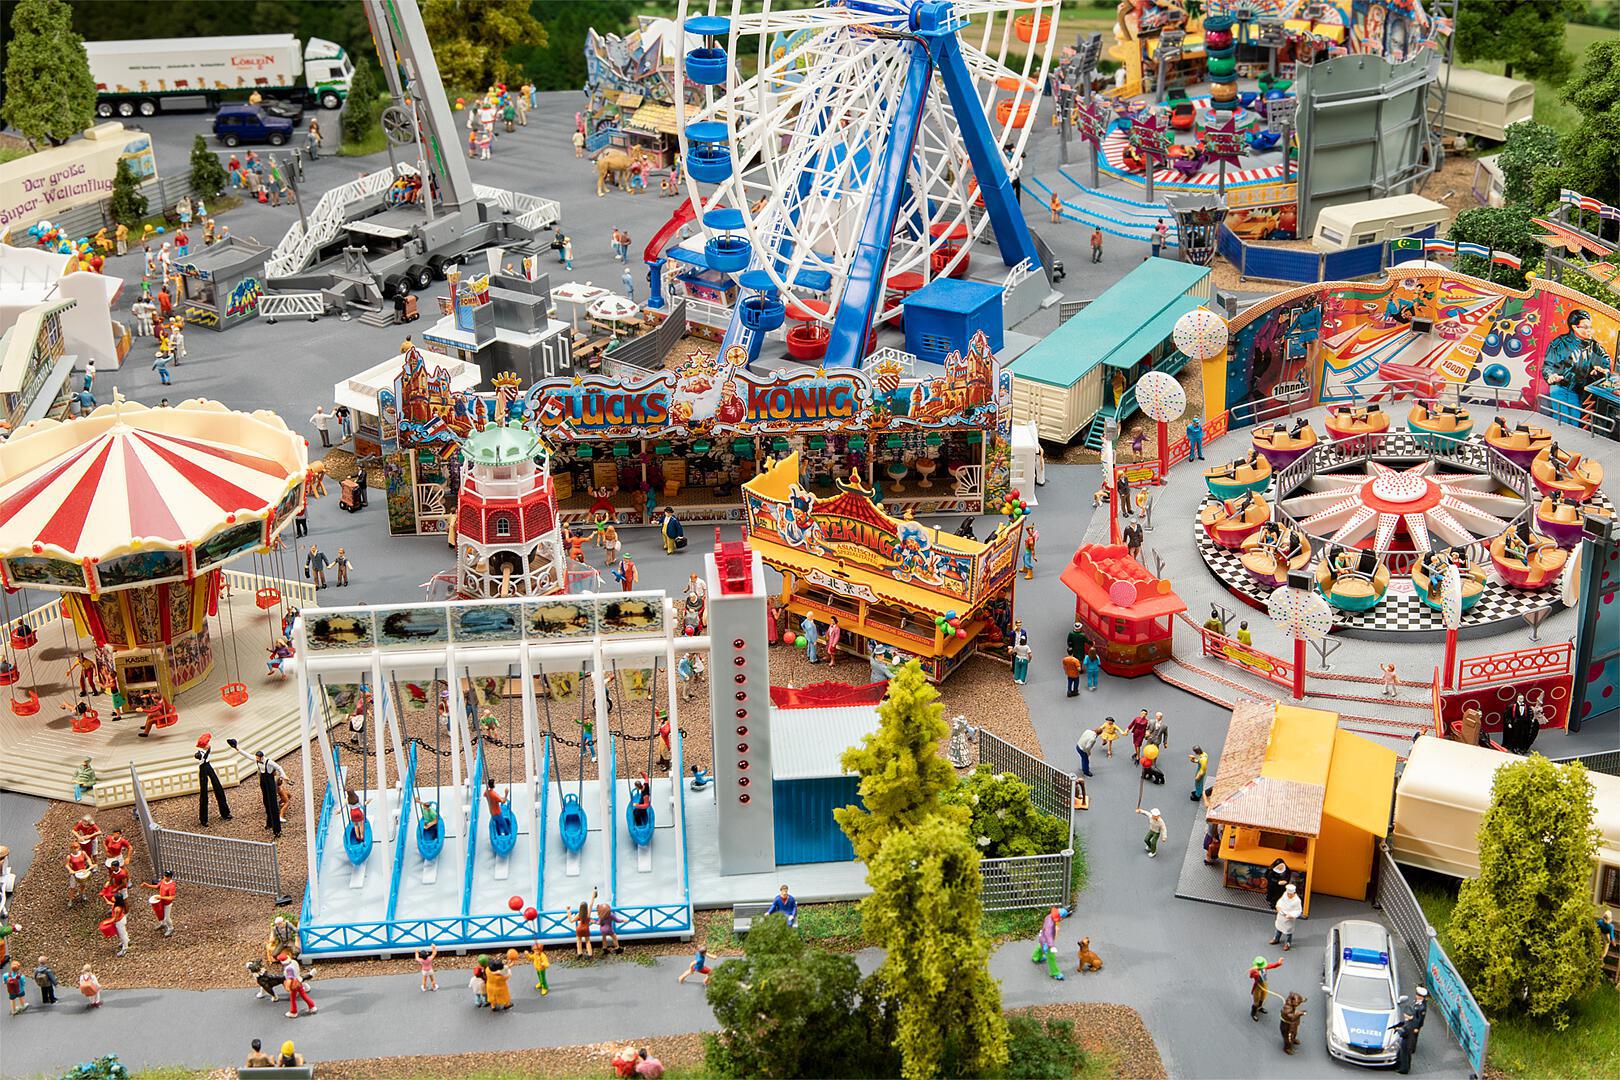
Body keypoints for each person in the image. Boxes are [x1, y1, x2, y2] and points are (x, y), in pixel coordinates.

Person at [227, 739, 288, 838]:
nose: (257, 759)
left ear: (262, 757)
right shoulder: (257, 760)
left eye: (258, 758)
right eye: (256, 758)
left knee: (273, 804)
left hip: (270, 782)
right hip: (263, 782)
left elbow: (279, 767)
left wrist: (284, 776)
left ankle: (277, 830)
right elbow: (247, 755)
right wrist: (237, 748)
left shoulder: (269, 762)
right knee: (266, 801)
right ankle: (269, 822)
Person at [1391, 986, 1427, 1073]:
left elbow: (1420, 1019)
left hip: (1412, 1028)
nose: (1417, 996)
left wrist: (1417, 1027)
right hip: (1410, 1026)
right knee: (1406, 1049)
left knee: (1406, 1049)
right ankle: (1401, 1063)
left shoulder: (1421, 1007)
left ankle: (1404, 1068)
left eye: (1419, 995)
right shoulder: (1416, 1003)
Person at [1031, 906, 1065, 980]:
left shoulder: (1049, 916)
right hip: (1047, 942)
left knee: (1040, 946)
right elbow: (1048, 935)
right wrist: (1051, 946)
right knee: (1051, 957)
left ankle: (1036, 957)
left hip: (1042, 937)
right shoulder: (1051, 924)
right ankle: (1055, 973)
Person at [141, 870, 178, 937]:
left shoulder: (171, 886)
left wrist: (161, 897)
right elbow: (157, 886)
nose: (165, 877)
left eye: (167, 876)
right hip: (161, 901)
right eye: (165, 876)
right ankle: (163, 924)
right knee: (160, 913)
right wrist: (147, 885)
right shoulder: (163, 881)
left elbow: (171, 897)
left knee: (167, 918)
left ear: (170, 877)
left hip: (167, 904)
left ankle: (170, 928)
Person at [1249, 955, 1283, 1020]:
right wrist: (1255, 974)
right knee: (1256, 1000)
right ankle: (1253, 1013)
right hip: (1258, 986)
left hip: (1264, 984)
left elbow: (1272, 966)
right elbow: (1251, 976)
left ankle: (1260, 1007)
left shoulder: (1264, 967)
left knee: (1263, 997)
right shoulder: (1254, 970)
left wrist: (1278, 963)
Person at [1269, 883, 1303, 950]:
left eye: (1290, 894)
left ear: (1294, 893)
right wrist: (1278, 907)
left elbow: (1298, 910)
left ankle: (1287, 943)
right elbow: (1280, 901)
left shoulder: (1297, 901)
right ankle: (1276, 939)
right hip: (1281, 916)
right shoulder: (1285, 894)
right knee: (1278, 928)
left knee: (1288, 932)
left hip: (1288, 919)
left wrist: (1291, 915)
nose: (1288, 895)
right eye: (1288, 894)